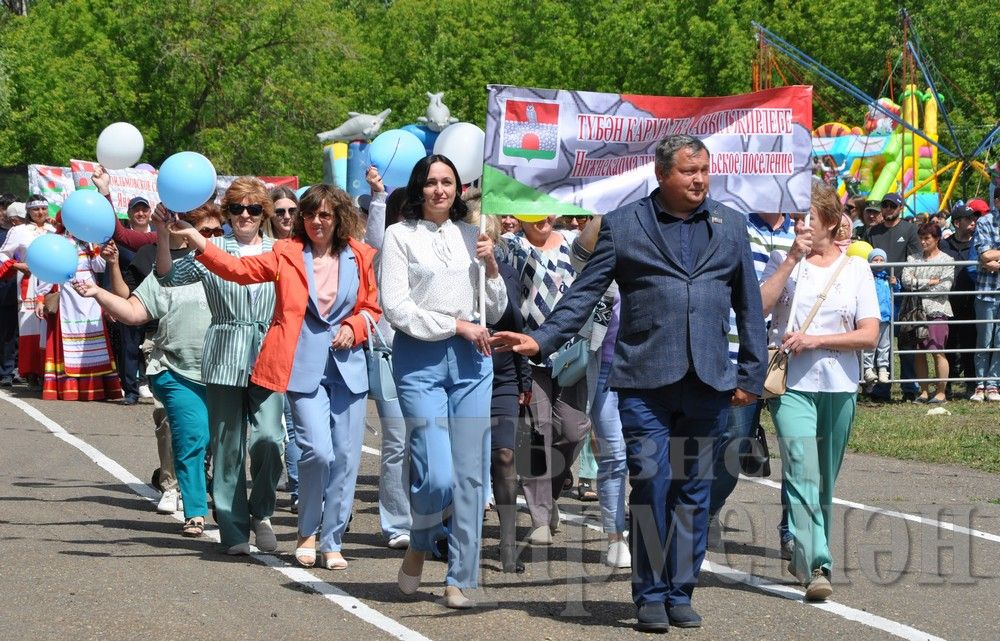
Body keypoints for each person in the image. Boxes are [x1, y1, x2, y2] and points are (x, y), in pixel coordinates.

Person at [491, 135, 767, 632]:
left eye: (704, 169)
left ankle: (681, 590)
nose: (699, 179)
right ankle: (650, 595)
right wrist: (541, 341)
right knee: (652, 484)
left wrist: (751, 374)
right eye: (688, 171)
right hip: (645, 382)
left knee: (694, 491)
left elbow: (749, 307)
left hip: (709, 382)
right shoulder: (624, 224)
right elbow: (583, 293)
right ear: (662, 174)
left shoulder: (730, 227)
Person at [168, 184, 380, 570]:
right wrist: (200, 241)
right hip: (301, 364)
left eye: (326, 215)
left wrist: (356, 325)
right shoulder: (286, 253)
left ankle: (332, 540)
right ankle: (306, 531)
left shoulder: (360, 256)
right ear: (303, 219)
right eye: (312, 214)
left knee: (347, 459)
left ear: (339, 219)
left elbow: (372, 308)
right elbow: (238, 269)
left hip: (347, 367)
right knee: (317, 451)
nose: (318, 221)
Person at [379, 154, 507, 609]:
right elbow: (395, 307)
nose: (440, 190)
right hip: (420, 360)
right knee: (435, 475)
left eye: (447, 182)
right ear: (419, 188)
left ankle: (461, 577)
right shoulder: (399, 235)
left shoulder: (473, 235)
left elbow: (492, 307)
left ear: (458, 188)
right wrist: (456, 326)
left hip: (474, 360)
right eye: (431, 182)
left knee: (472, 476)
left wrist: (492, 268)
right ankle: (419, 541)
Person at [72, 203, 223, 536]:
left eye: (216, 232)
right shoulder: (165, 272)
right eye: (204, 230)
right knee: (191, 437)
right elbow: (132, 312)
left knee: (224, 444)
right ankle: (195, 511)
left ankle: (228, 506)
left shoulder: (229, 267)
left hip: (225, 370)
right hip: (177, 368)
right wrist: (98, 292)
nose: (210, 238)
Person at [759, 181, 879, 602]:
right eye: (794, 216)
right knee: (801, 471)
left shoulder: (856, 268)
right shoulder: (784, 259)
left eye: (806, 216)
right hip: (790, 385)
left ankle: (807, 554)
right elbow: (757, 309)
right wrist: (790, 258)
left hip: (839, 386)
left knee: (824, 479)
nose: (798, 224)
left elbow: (869, 335)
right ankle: (817, 564)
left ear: (829, 221)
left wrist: (817, 340)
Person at [156, 177, 284, 556]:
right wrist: (163, 235)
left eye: (254, 209)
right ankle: (233, 529)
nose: (245, 215)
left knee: (269, 440)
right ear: (227, 213)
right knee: (228, 447)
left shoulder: (282, 250)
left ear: (264, 214)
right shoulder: (210, 248)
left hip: (268, 350)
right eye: (237, 208)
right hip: (225, 348)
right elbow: (168, 276)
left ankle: (262, 512)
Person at [495, 213, 591, 547]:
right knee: (538, 432)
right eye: (533, 213)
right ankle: (538, 518)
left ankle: (547, 498)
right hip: (528, 351)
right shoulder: (512, 246)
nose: (543, 219)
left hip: (570, 355)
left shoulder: (571, 242)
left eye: (547, 211)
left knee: (573, 428)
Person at [712, 210, 794, 552]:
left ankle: (793, 531)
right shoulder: (735, 226)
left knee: (800, 447)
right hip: (739, 354)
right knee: (733, 441)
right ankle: (706, 510)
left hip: (792, 356)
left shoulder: (805, 229)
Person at [464, 192, 532, 573]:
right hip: (463, 372)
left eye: (484, 234)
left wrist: (523, 378)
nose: (478, 240)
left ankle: (508, 543)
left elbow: (514, 323)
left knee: (505, 457)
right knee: (468, 461)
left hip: (503, 374)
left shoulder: (503, 271)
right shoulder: (449, 272)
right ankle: (459, 536)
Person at [568, 215, 631, 569]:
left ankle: (647, 526)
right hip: (604, 363)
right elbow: (579, 252)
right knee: (614, 452)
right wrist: (606, 209)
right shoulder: (604, 250)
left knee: (647, 456)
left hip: (647, 369)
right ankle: (615, 535)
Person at [363, 166, 412, 550]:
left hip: (433, 355)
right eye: (407, 210)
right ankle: (397, 522)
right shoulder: (386, 250)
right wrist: (378, 196)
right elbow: (376, 239)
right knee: (397, 439)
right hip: (391, 352)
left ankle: (430, 515)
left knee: (427, 440)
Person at [34, 220, 123, 402]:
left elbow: (98, 266)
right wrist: (41, 297)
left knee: (92, 338)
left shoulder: (89, 242)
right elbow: (49, 271)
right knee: (70, 339)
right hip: (68, 296)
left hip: (90, 296)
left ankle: (95, 387)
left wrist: (107, 252)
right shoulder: (58, 242)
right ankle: (70, 388)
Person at [864, 193, 921, 401]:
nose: (888, 209)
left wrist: (903, 280)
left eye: (892, 206)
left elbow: (916, 258)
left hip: (901, 294)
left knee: (906, 342)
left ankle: (909, 388)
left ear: (900, 207)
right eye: (885, 205)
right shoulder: (872, 232)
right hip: (878, 293)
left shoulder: (909, 229)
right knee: (879, 341)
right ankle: (880, 389)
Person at [266, 185, 301, 513]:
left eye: (292, 211)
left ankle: (300, 491)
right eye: (280, 212)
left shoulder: (308, 247)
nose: (287, 217)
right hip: (266, 341)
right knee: (273, 426)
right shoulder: (265, 248)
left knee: (296, 420)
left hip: (301, 342)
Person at [0, 196, 55, 389]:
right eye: (35, 209)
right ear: (28, 211)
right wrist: (17, 265)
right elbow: (2, 254)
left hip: (53, 282)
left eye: (43, 208)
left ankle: (49, 369)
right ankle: (32, 372)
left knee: (49, 325)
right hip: (29, 283)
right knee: (30, 326)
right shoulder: (18, 231)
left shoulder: (54, 230)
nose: (40, 213)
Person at [902, 223, 953, 403]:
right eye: (921, 238)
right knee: (919, 352)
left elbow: (945, 286)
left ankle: (941, 392)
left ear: (937, 239)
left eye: (927, 238)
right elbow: (906, 281)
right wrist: (930, 281)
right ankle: (923, 391)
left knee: (937, 351)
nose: (923, 242)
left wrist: (919, 283)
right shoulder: (912, 258)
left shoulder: (947, 260)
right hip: (915, 311)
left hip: (937, 310)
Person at [115, 196, 155, 405]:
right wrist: (109, 302)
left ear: (150, 212)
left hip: (156, 300)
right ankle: (130, 391)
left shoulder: (160, 236)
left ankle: (151, 384)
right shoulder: (120, 240)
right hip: (128, 298)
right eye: (136, 210)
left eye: (144, 209)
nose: (141, 213)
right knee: (129, 346)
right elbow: (110, 271)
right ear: (129, 213)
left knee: (155, 345)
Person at [941, 205, 977, 395]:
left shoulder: (978, 244)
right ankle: (946, 385)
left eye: (974, 217)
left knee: (970, 343)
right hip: (948, 302)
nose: (973, 221)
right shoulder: (944, 245)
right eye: (968, 218)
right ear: (956, 223)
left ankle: (971, 384)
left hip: (971, 301)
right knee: (947, 344)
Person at [970, 190, 1000, 402]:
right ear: (997, 201)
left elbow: (991, 256)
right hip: (986, 290)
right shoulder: (984, 222)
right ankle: (980, 384)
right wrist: (988, 257)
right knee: (984, 340)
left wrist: (992, 257)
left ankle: (993, 384)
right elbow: (985, 255)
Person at [862, 248, 897, 386]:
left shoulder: (887, 278)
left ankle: (883, 368)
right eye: (875, 260)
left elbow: (896, 291)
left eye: (881, 260)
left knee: (884, 345)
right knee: (870, 345)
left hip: (885, 316)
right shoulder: (866, 277)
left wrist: (895, 283)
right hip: (870, 317)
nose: (878, 262)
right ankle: (867, 369)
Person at [0, 195, 22, 386]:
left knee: (17, 332)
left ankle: (16, 368)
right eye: (3, 208)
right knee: (6, 333)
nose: (5, 214)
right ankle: (6, 370)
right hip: (4, 289)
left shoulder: (23, 231)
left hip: (22, 290)